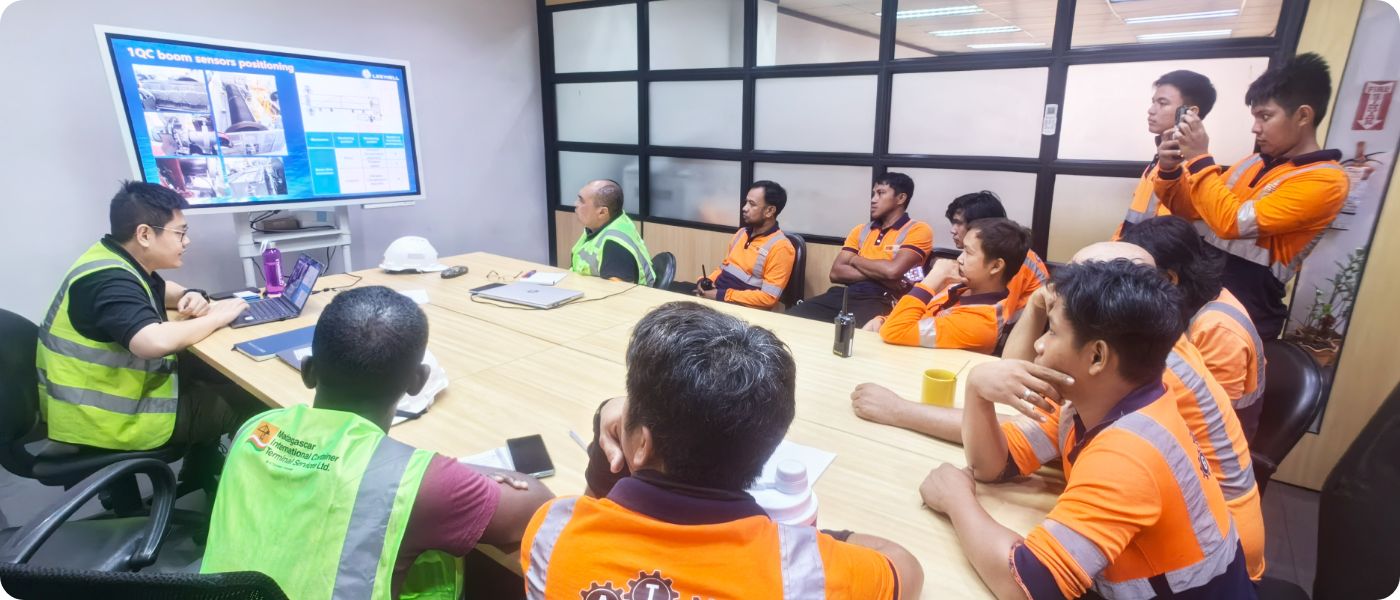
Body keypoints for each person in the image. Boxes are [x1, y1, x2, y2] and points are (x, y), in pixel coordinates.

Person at [854, 241, 1266, 581]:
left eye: (1051, 332)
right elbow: (996, 463)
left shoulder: (1131, 449)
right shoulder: (1100, 396)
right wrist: (978, 391)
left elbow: (1029, 583)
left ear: (1097, 356)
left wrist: (958, 500)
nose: (1038, 345)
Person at [521, 302, 924, 600]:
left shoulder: (551, 531)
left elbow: (596, 512)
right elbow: (905, 567)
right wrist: (810, 542)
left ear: (641, 444)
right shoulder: (806, 576)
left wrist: (607, 426)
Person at [202, 286, 555, 600]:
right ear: (418, 381)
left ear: (308, 371)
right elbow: (540, 507)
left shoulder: (256, 429)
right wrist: (451, 472)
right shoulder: (418, 483)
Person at [37, 181, 259, 452]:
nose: (186, 241)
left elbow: (160, 290)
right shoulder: (110, 281)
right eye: (180, 233)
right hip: (111, 421)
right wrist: (217, 317)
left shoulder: (111, 259)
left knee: (212, 372)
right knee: (258, 402)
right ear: (144, 234)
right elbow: (151, 342)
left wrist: (189, 294)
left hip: (104, 402)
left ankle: (200, 467)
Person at [1155, 53, 1348, 340]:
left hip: (1250, 307)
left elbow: (1231, 223)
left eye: (1265, 116)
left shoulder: (1326, 180)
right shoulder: (1251, 163)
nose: (1255, 128)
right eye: (1255, 117)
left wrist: (1198, 158)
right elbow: (1190, 210)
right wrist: (1170, 170)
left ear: (1303, 116)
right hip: (1204, 292)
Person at [1122, 216, 1267, 441]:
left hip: (1210, 442)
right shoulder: (1191, 301)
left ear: (1169, 278)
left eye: (1137, 278)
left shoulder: (1218, 328)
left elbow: (1211, 420)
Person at [864, 218, 1032, 354]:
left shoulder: (982, 323)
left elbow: (895, 331)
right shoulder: (963, 287)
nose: (960, 258)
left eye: (968, 252)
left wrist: (934, 277)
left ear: (995, 266)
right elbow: (919, 317)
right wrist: (882, 320)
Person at [786, 172, 933, 326]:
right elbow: (836, 273)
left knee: (854, 333)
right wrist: (881, 276)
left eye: (881, 193)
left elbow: (893, 271)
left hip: (884, 298)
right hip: (847, 293)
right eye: (873, 194)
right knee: (790, 319)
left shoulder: (918, 230)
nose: (873, 199)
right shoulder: (861, 230)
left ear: (901, 198)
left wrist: (855, 260)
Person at [1111, 70, 1218, 240]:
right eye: (1153, 102)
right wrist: (1116, 246)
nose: (1151, 110)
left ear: (1190, 113)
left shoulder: (1194, 170)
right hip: (1130, 251)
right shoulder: (1161, 160)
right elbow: (1133, 220)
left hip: (1152, 255)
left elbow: (1165, 237)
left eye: (1162, 103)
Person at [943, 191, 1049, 320]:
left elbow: (1001, 315)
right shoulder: (988, 253)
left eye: (959, 223)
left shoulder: (1013, 258)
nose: (952, 230)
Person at [693, 180, 796, 310]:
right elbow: (724, 268)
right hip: (717, 295)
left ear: (770, 211)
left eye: (752, 204)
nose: (744, 208)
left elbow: (768, 298)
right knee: (675, 287)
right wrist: (705, 282)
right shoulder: (742, 233)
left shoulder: (781, 247)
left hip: (734, 307)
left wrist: (720, 295)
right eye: (746, 202)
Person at [570, 179, 656, 286]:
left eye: (582, 201)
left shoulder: (614, 246)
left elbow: (616, 292)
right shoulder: (602, 225)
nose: (576, 204)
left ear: (602, 212)